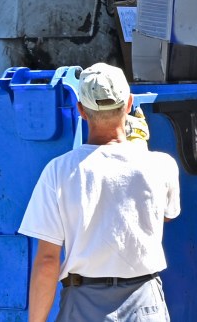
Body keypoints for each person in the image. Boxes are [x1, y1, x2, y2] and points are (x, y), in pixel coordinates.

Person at [19, 62, 181, 322]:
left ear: (81, 110)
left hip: (83, 303)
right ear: (128, 105)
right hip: (144, 302)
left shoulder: (58, 171)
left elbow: (48, 261)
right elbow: (165, 215)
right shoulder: (161, 165)